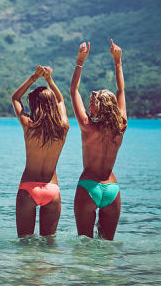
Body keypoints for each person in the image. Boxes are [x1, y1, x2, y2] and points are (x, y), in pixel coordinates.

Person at [70, 39, 127, 240]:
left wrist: (80, 61)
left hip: (89, 187)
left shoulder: (88, 127)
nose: (90, 104)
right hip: (112, 189)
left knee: (84, 246)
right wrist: (118, 62)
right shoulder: (121, 127)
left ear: (98, 108)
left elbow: (73, 90)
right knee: (107, 247)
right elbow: (121, 91)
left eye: (93, 102)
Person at [12, 65, 69, 237]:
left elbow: (15, 97)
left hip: (29, 188)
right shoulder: (63, 127)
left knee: (25, 245)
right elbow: (60, 101)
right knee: (49, 246)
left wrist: (34, 77)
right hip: (52, 189)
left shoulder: (30, 126)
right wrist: (49, 79)